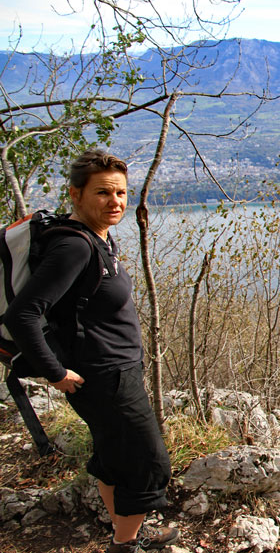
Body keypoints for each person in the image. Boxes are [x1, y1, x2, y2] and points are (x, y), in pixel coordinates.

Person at [5, 149, 179, 553]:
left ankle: (125, 534)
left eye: (120, 192)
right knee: (150, 464)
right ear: (76, 194)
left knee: (113, 456)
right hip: (104, 377)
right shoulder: (75, 247)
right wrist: (54, 372)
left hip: (112, 372)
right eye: (103, 193)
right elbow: (23, 314)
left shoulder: (96, 237)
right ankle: (124, 544)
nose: (115, 202)